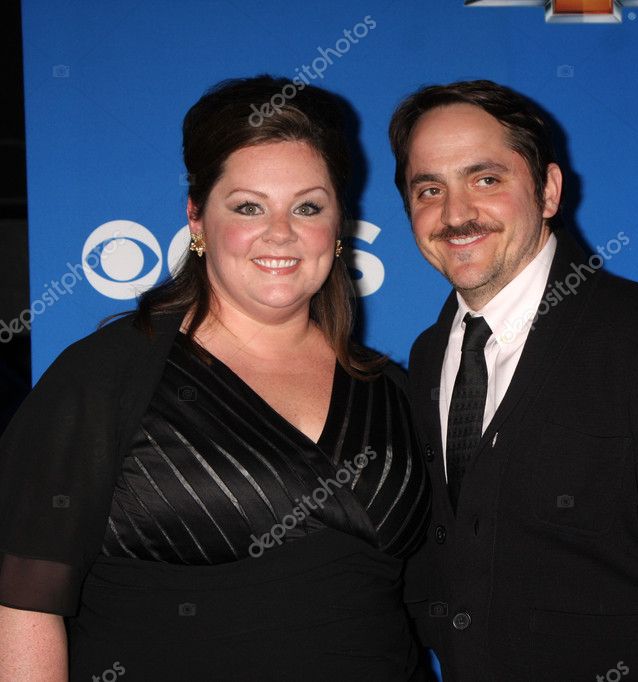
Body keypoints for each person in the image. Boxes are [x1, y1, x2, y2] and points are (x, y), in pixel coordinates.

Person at [0, 76, 429, 681]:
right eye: (248, 206)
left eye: (307, 207)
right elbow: (22, 603)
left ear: (339, 228)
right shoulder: (106, 375)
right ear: (197, 220)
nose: (280, 233)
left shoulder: (391, 391)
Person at [389, 80, 638, 681]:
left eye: (486, 180)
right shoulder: (429, 354)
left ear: (549, 190)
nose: (456, 214)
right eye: (429, 189)